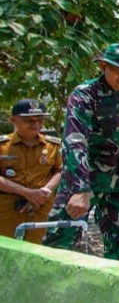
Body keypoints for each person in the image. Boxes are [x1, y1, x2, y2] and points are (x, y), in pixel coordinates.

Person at [43, 44, 119, 261]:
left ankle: (115, 290)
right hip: (86, 177)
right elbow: (75, 142)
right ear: (104, 66)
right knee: (60, 239)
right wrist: (79, 189)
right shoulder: (85, 94)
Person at [0, 99, 62, 244]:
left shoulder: (52, 145)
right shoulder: (3, 145)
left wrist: (45, 191)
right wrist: (26, 193)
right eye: (29, 120)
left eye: (40, 120)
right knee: (5, 249)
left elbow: (59, 171)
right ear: (13, 120)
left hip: (40, 206)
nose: (36, 125)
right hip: (7, 208)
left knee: (36, 250)